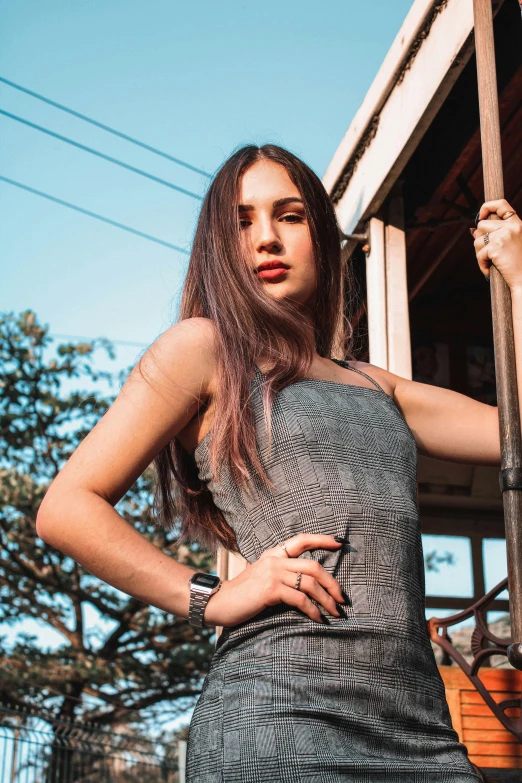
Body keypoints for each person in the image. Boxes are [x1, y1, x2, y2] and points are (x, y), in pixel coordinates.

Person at [36, 143, 522, 782]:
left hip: (420, 730)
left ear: (320, 236)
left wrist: (518, 277)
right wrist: (211, 597)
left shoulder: (382, 389)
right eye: (241, 221)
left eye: (290, 216)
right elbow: (65, 508)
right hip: (275, 718)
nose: (266, 238)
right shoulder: (201, 350)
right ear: (219, 246)